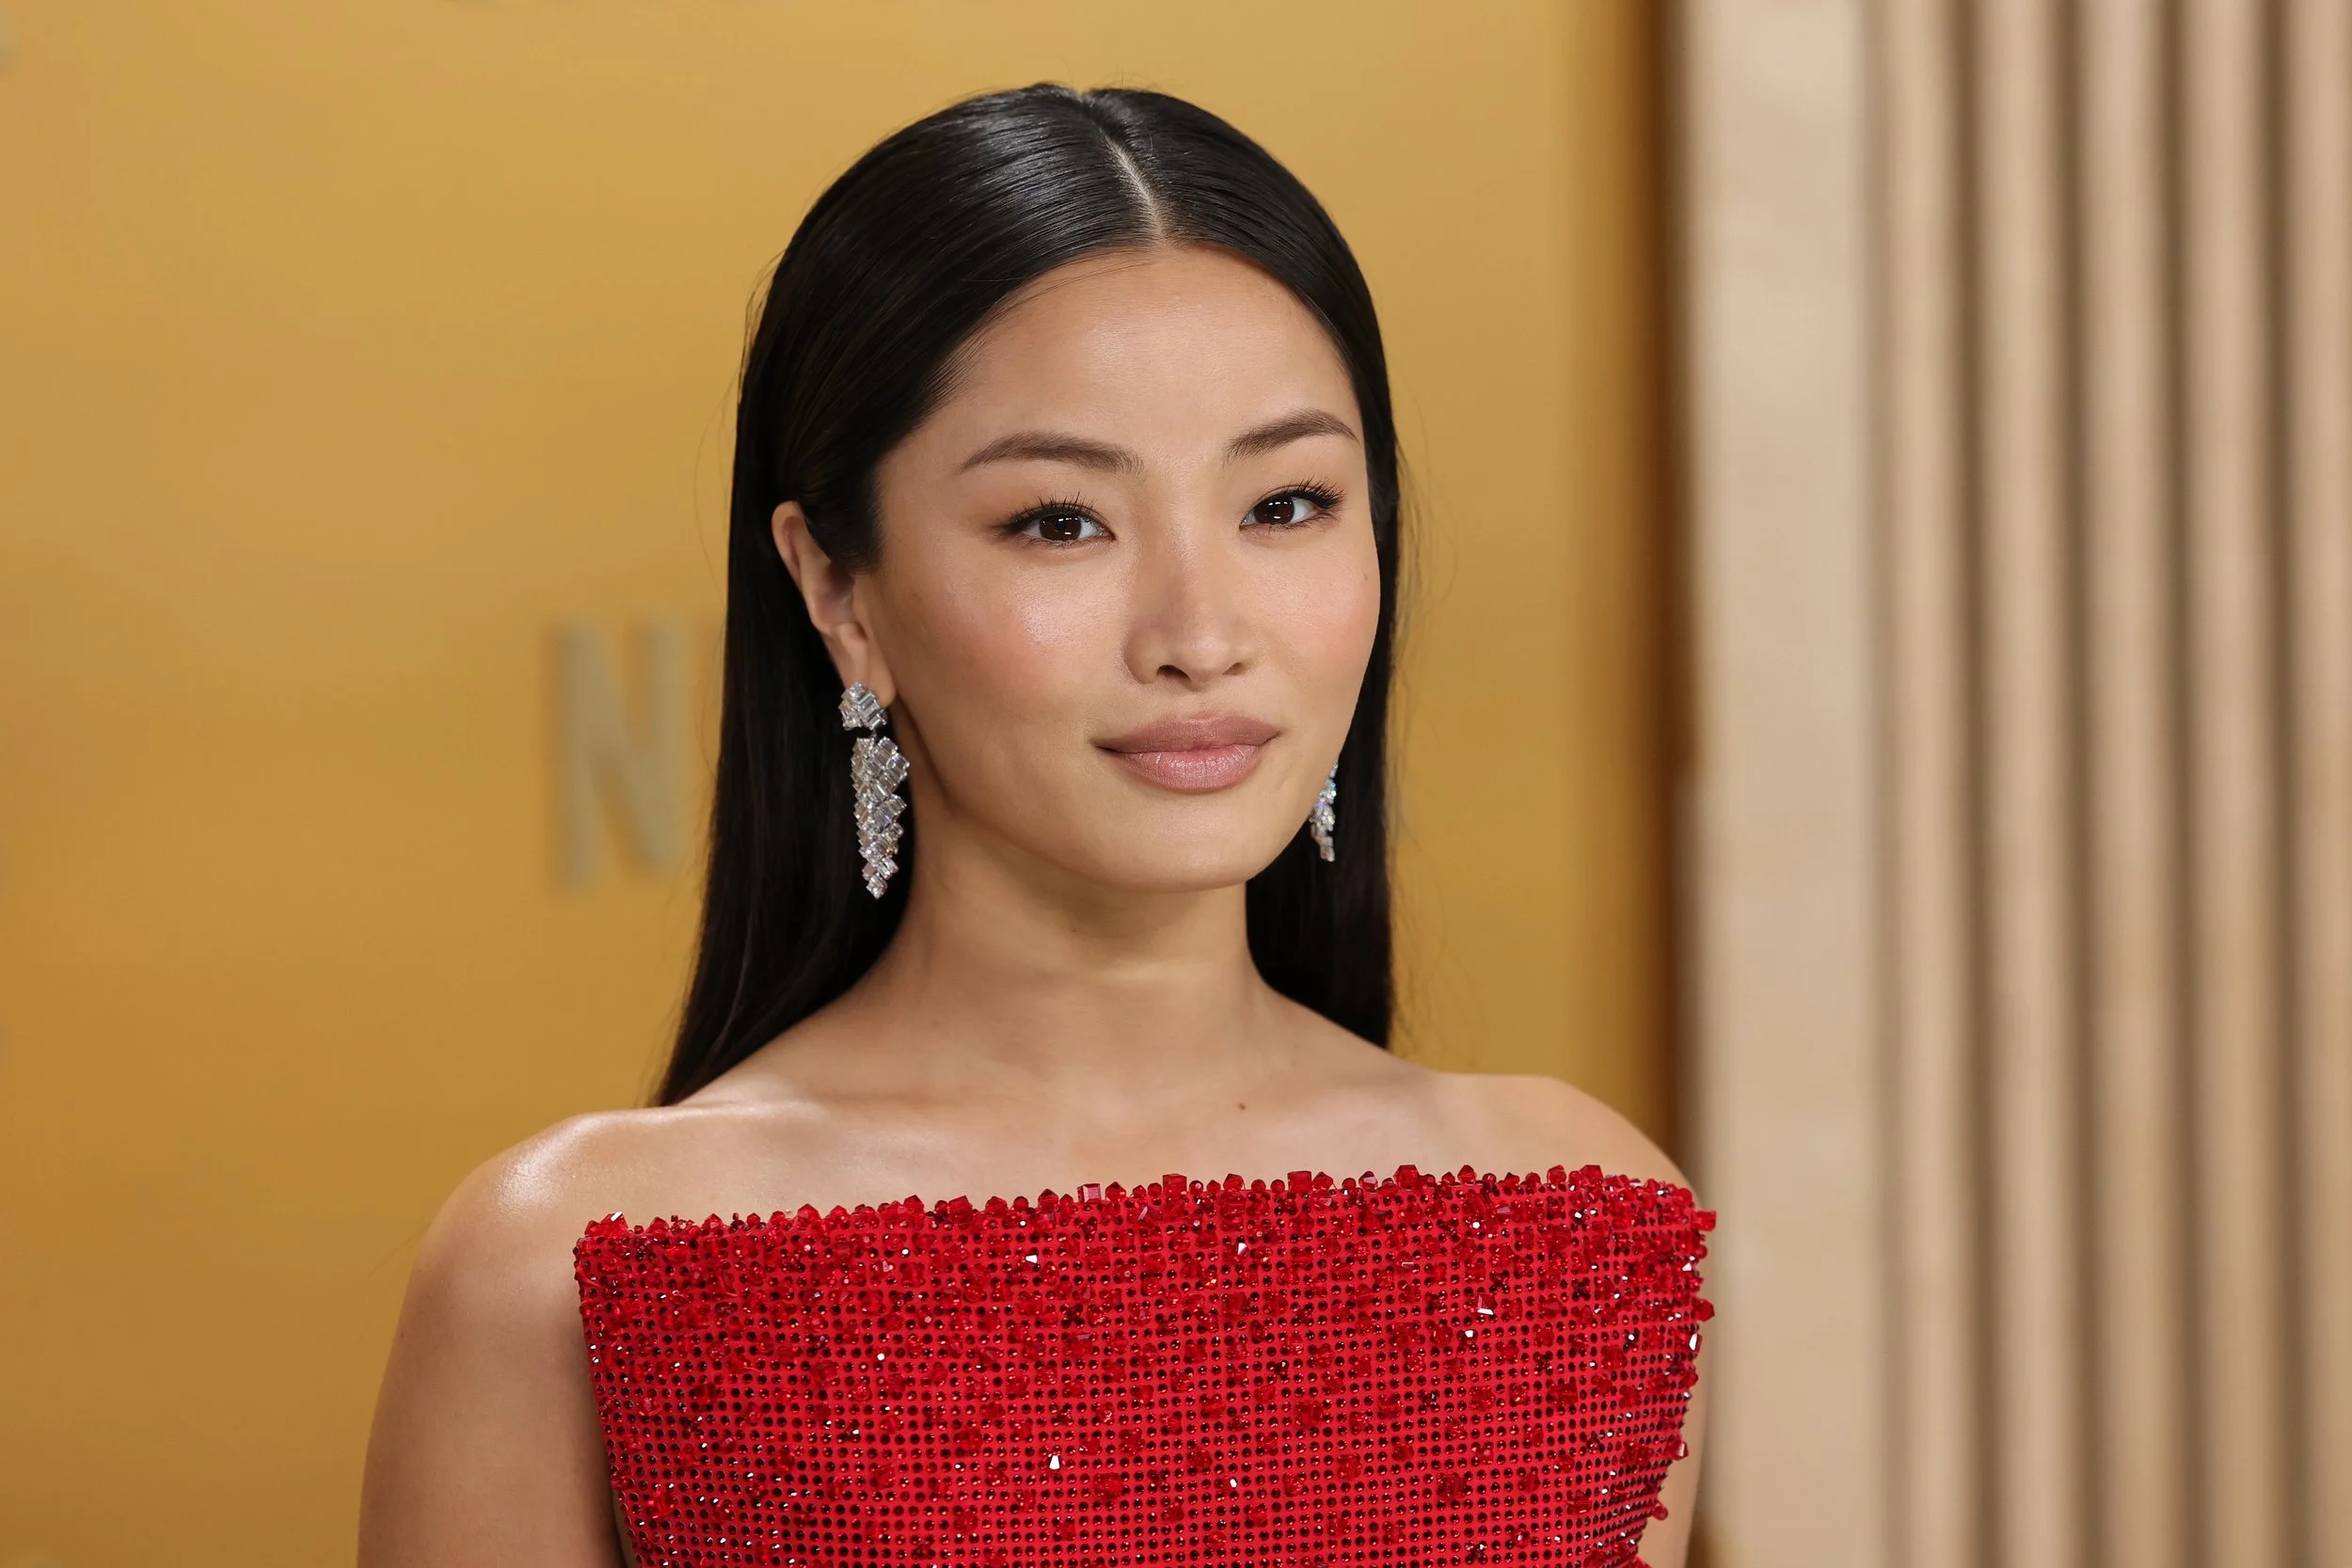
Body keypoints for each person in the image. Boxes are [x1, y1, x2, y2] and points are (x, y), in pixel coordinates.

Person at [358, 84, 1708, 1568]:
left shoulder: (1575, 1226)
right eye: (1061, 521)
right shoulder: (571, 1263)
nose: (1201, 633)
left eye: (1288, 503)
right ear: (836, 591)